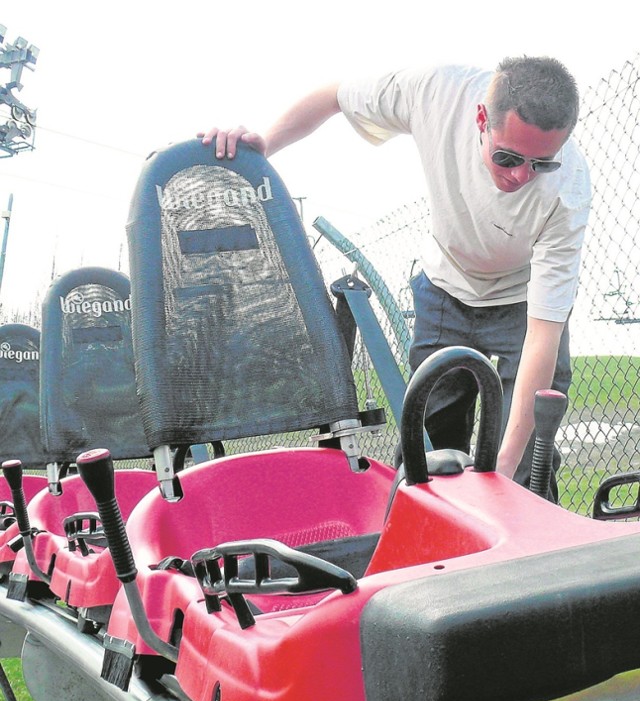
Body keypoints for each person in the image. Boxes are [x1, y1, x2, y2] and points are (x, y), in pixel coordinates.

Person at [199, 56, 591, 501]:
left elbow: (543, 336)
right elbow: (334, 95)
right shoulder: (437, 92)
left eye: (541, 164)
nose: (521, 176)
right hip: (447, 286)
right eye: (507, 157)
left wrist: (503, 477)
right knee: (429, 450)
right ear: (481, 118)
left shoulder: (570, 190)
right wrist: (266, 143)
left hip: (520, 303)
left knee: (522, 463)